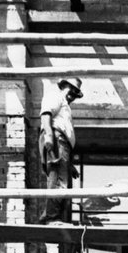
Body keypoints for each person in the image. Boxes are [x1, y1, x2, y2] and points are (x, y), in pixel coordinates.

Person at [40, 77, 82, 222]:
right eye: (71, 90)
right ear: (64, 86)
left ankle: (51, 216)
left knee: (59, 179)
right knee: (58, 181)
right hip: (57, 139)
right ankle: (51, 218)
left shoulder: (66, 105)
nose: (72, 95)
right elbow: (46, 114)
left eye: (76, 94)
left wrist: (69, 164)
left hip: (62, 144)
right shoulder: (56, 96)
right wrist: (49, 135)